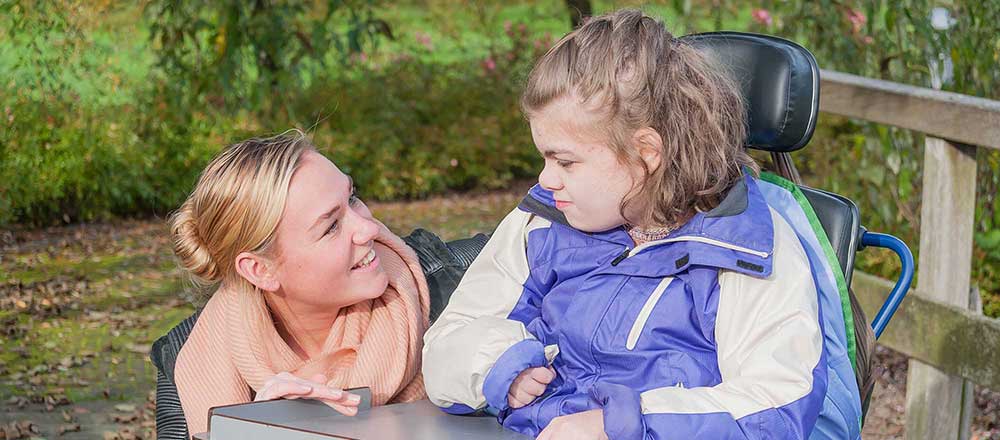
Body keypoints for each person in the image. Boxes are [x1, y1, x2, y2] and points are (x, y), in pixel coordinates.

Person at [423, 9, 859, 440]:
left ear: (646, 152)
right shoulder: (545, 221)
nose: (545, 178)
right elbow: (449, 340)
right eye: (543, 156)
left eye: (565, 160)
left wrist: (622, 426)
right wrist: (498, 366)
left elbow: (775, 405)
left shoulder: (744, 247)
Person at [168, 131, 429, 435]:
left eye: (352, 198)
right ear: (259, 270)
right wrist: (260, 431)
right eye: (331, 227)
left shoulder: (449, 297)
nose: (369, 228)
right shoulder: (200, 365)